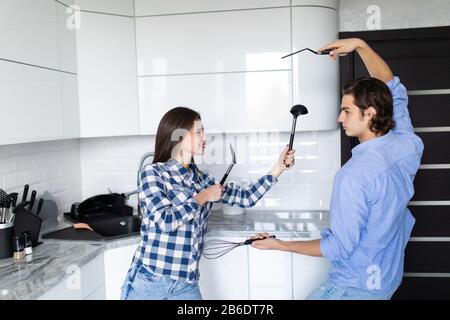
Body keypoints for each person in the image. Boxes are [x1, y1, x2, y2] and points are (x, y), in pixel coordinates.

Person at [251, 38, 424, 300]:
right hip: (387, 279)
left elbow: (338, 247)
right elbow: (392, 87)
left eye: (346, 111)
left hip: (353, 287)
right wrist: (360, 45)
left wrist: (279, 244)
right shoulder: (407, 144)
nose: (339, 118)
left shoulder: (353, 175)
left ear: (370, 114)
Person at [121, 106, 295, 300]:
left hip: (186, 284)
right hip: (150, 282)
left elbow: (247, 197)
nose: (205, 138)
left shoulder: (203, 180)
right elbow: (165, 221)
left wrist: (279, 167)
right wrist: (202, 197)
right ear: (178, 136)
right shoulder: (154, 173)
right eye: (198, 132)